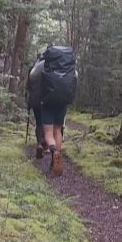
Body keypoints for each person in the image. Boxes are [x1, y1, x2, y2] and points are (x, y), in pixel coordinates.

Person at [27, 45, 77, 176]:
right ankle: (57, 156)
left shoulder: (44, 64)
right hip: (63, 101)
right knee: (58, 130)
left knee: (48, 133)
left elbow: (32, 76)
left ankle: (53, 151)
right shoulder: (68, 66)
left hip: (47, 101)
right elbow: (75, 77)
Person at [26, 54, 46, 159]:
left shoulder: (33, 70)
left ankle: (39, 144)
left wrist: (28, 102)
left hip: (35, 99)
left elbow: (28, 87)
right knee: (48, 122)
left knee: (39, 122)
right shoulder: (52, 70)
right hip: (47, 100)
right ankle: (46, 143)